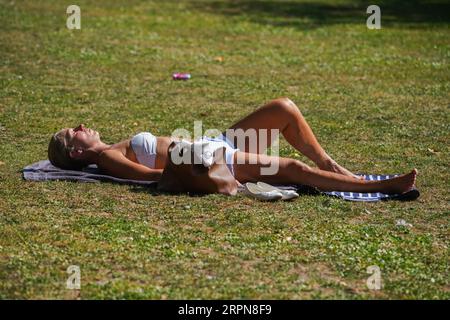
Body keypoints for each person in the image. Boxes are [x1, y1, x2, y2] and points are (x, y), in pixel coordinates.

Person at [48, 98, 417, 194]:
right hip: (214, 156)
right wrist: (209, 171)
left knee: (283, 108)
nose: (82, 126)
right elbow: (153, 177)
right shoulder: (110, 158)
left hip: (212, 142)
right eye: (74, 132)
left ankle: (331, 165)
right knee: (290, 168)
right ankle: (378, 186)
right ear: (76, 153)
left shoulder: (113, 146)